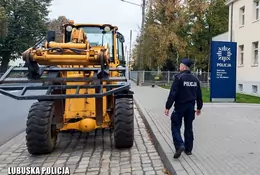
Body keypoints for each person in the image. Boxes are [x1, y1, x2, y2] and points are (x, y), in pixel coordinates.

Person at [164, 58, 203, 159]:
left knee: (176, 126)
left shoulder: (179, 77)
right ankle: (188, 149)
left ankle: (179, 145)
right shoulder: (195, 79)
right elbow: (199, 95)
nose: (179, 67)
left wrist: (168, 106)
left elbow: (173, 93)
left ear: (183, 67)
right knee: (188, 128)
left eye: (180, 65)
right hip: (191, 107)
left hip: (180, 106)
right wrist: (199, 107)